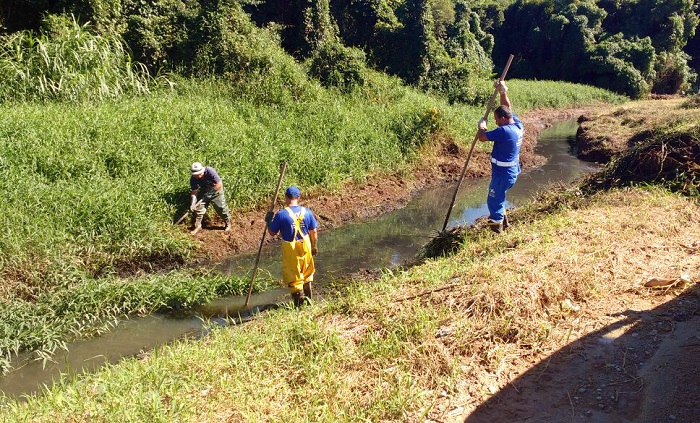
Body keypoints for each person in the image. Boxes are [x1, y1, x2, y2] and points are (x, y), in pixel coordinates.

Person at [476, 80, 524, 234]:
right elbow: (507, 108)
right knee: (500, 197)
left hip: (502, 175)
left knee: (494, 200)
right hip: (511, 173)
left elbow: (482, 137)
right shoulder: (517, 125)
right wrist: (503, 92)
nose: (496, 123)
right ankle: (506, 225)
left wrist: (482, 127)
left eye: (497, 120)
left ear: (503, 119)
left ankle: (497, 233)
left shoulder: (504, 131)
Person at [265, 186, 319, 307]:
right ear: (298, 197)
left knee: (294, 276)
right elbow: (314, 232)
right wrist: (314, 246)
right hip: (306, 245)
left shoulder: (281, 215)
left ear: (286, 198)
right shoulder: (307, 212)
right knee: (307, 272)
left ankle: (298, 306)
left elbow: (272, 233)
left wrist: (269, 221)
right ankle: (309, 302)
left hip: (291, 248)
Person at [189, 162, 231, 235]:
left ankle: (228, 223)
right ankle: (198, 226)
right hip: (204, 191)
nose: (197, 176)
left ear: (202, 171)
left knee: (221, 208)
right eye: (195, 175)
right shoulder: (193, 178)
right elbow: (194, 191)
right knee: (199, 208)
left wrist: (210, 193)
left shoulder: (210, 171)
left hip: (216, 190)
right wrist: (193, 202)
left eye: (198, 174)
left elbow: (219, 184)